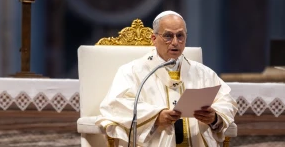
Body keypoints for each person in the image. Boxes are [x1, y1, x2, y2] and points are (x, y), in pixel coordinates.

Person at [96, 11, 238, 147]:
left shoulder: (203, 73)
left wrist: (214, 117)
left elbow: (227, 101)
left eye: (180, 36)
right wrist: (155, 117)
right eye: (168, 36)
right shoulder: (133, 71)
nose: (175, 42)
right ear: (154, 39)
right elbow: (115, 105)